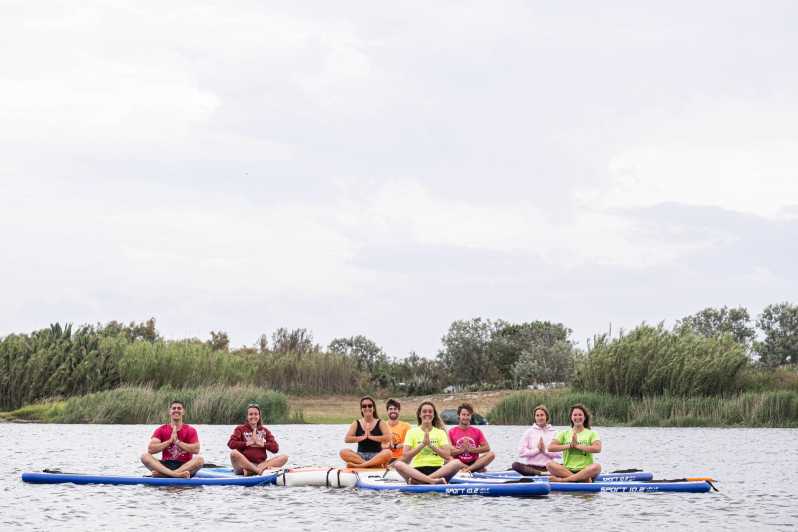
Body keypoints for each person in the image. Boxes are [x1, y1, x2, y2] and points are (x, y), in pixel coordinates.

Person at [393, 401, 465, 484]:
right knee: (398, 464)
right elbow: (405, 456)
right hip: (417, 471)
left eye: (430, 412)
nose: (427, 414)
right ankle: (431, 481)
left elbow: (447, 455)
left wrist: (431, 445)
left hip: (438, 470)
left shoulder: (440, 432)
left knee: (457, 463)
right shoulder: (411, 432)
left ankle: (422, 481)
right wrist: (422, 445)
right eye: (424, 411)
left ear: (434, 415)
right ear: (420, 415)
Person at [140, 400, 204, 478]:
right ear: (170, 412)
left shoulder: (191, 430)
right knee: (144, 456)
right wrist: (169, 441)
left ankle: (166, 475)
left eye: (179, 408)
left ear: (183, 412)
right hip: (165, 466)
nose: (176, 410)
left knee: (200, 460)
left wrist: (177, 442)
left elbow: (196, 449)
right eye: (174, 408)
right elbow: (151, 449)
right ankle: (176, 475)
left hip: (185, 467)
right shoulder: (161, 429)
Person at [228, 403, 289, 475]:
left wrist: (262, 444)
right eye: (251, 414)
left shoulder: (264, 430)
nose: (253, 416)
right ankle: (257, 471)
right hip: (243, 465)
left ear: (259, 416)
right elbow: (231, 444)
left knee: (284, 457)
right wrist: (247, 443)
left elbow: (275, 448)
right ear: (247, 416)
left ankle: (254, 471)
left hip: (261, 464)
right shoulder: (240, 429)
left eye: (256, 414)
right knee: (233, 453)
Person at [546, 403, 602, 482]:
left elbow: (597, 449)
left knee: (597, 467)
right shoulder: (563, 433)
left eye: (580, 415)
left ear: (584, 417)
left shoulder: (592, 433)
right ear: (571, 417)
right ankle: (581, 479)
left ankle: (563, 481)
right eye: (575, 415)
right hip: (567, 470)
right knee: (549, 464)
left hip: (585, 470)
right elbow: (550, 447)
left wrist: (578, 446)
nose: (577, 417)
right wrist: (570, 445)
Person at [339, 396, 393, 468]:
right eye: (364, 406)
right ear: (361, 409)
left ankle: (361, 466)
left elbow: (388, 438)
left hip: (377, 455)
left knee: (388, 453)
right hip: (360, 456)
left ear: (373, 408)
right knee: (343, 452)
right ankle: (372, 465)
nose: (367, 408)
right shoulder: (356, 423)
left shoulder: (380, 422)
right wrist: (363, 437)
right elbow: (347, 439)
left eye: (370, 406)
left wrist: (371, 437)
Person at [512, 404, 561, 476]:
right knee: (515, 465)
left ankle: (546, 473)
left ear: (546, 416)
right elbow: (521, 453)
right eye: (537, 415)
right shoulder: (529, 432)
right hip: (531, 467)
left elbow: (560, 454)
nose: (540, 417)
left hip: (549, 467)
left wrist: (545, 451)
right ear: (534, 417)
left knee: (563, 466)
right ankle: (541, 474)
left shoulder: (554, 432)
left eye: (542, 415)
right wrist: (537, 450)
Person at [448, 403, 495, 473]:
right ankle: (471, 469)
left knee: (491, 454)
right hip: (457, 464)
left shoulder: (477, 431)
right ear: (459, 415)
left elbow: (487, 448)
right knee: (446, 457)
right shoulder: (451, 432)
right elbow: (448, 452)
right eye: (463, 415)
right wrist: (461, 450)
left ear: (471, 416)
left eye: (468, 415)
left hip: (474, 463)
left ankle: (468, 469)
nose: (466, 417)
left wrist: (472, 450)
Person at [384, 398, 411, 462]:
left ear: (399, 411)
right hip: (386, 458)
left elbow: (410, 443)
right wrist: (387, 446)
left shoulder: (406, 426)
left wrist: (396, 446)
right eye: (390, 409)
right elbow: (378, 444)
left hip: (401, 458)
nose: (393, 411)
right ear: (387, 411)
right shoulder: (382, 425)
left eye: (395, 409)